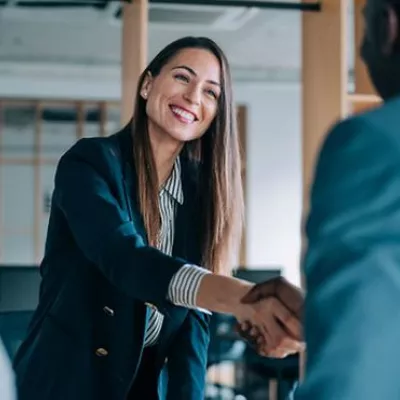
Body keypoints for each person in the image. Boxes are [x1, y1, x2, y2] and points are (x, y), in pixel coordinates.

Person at [13, 36, 304, 400]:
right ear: (148, 85)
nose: (193, 97)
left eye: (211, 93)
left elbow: (192, 325)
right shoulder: (89, 163)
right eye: (183, 77)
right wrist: (245, 299)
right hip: (63, 382)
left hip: (139, 385)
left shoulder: (201, 196)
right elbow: (125, 260)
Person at [277, 0, 400, 398]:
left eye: (363, 31)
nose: (362, 52)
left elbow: (357, 359)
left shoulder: (374, 141)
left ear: (388, 27)